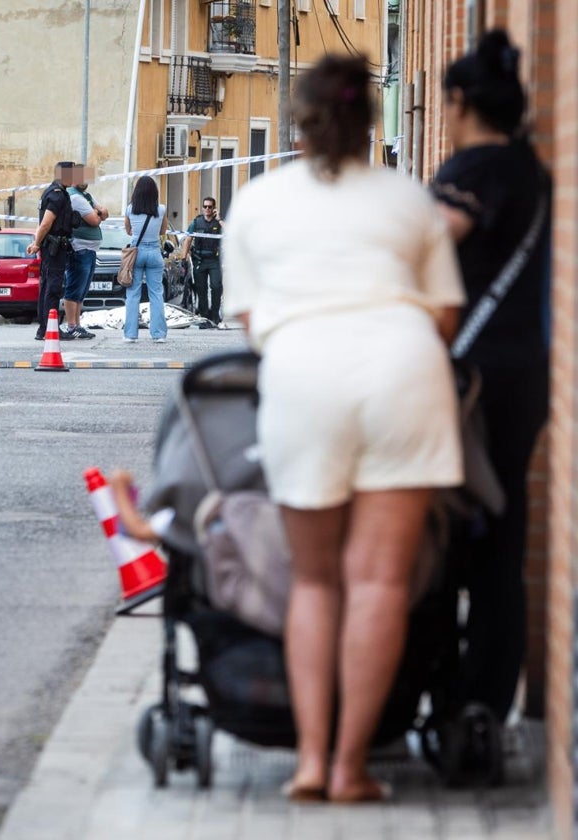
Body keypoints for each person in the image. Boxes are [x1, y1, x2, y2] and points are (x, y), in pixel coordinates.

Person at [221, 55, 465, 802]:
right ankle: (352, 767)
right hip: (405, 373)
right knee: (381, 582)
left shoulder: (256, 203)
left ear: (300, 123)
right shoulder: (411, 201)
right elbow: (448, 317)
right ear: (370, 121)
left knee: (316, 582)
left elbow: (252, 322)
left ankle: (308, 761)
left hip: (301, 379)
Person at [432, 30, 551, 732]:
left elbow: (430, 238)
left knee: (443, 538)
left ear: (460, 101)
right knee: (503, 540)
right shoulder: (536, 172)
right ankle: (487, 703)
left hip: (468, 383)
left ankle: (453, 697)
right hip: (526, 378)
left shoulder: (473, 171)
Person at [27, 161, 77, 340]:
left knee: (47, 287)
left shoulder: (53, 191)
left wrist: (38, 242)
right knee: (53, 289)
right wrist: (36, 243)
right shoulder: (57, 195)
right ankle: (50, 329)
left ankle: (44, 329)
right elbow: (46, 222)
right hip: (55, 248)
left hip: (52, 248)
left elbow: (43, 223)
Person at [61, 164, 107, 339]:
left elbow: (105, 212)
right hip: (80, 249)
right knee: (74, 288)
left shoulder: (86, 196)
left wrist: (99, 212)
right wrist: (98, 213)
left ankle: (77, 325)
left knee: (81, 290)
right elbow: (96, 220)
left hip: (89, 250)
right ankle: (72, 325)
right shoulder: (76, 198)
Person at [123, 176, 170, 343]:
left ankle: (130, 334)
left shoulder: (130, 209)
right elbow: (163, 230)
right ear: (154, 192)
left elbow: (128, 230)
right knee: (156, 294)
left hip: (136, 251)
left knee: (133, 294)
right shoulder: (161, 209)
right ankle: (158, 335)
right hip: (154, 252)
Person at [179, 196, 224, 326]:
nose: (207, 209)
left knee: (216, 286)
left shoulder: (218, 223)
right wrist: (184, 257)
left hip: (214, 260)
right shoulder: (196, 222)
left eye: (210, 207)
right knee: (201, 289)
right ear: (202, 207)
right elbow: (188, 239)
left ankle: (215, 313)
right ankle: (204, 317)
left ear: (214, 208)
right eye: (205, 206)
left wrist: (220, 220)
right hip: (199, 260)